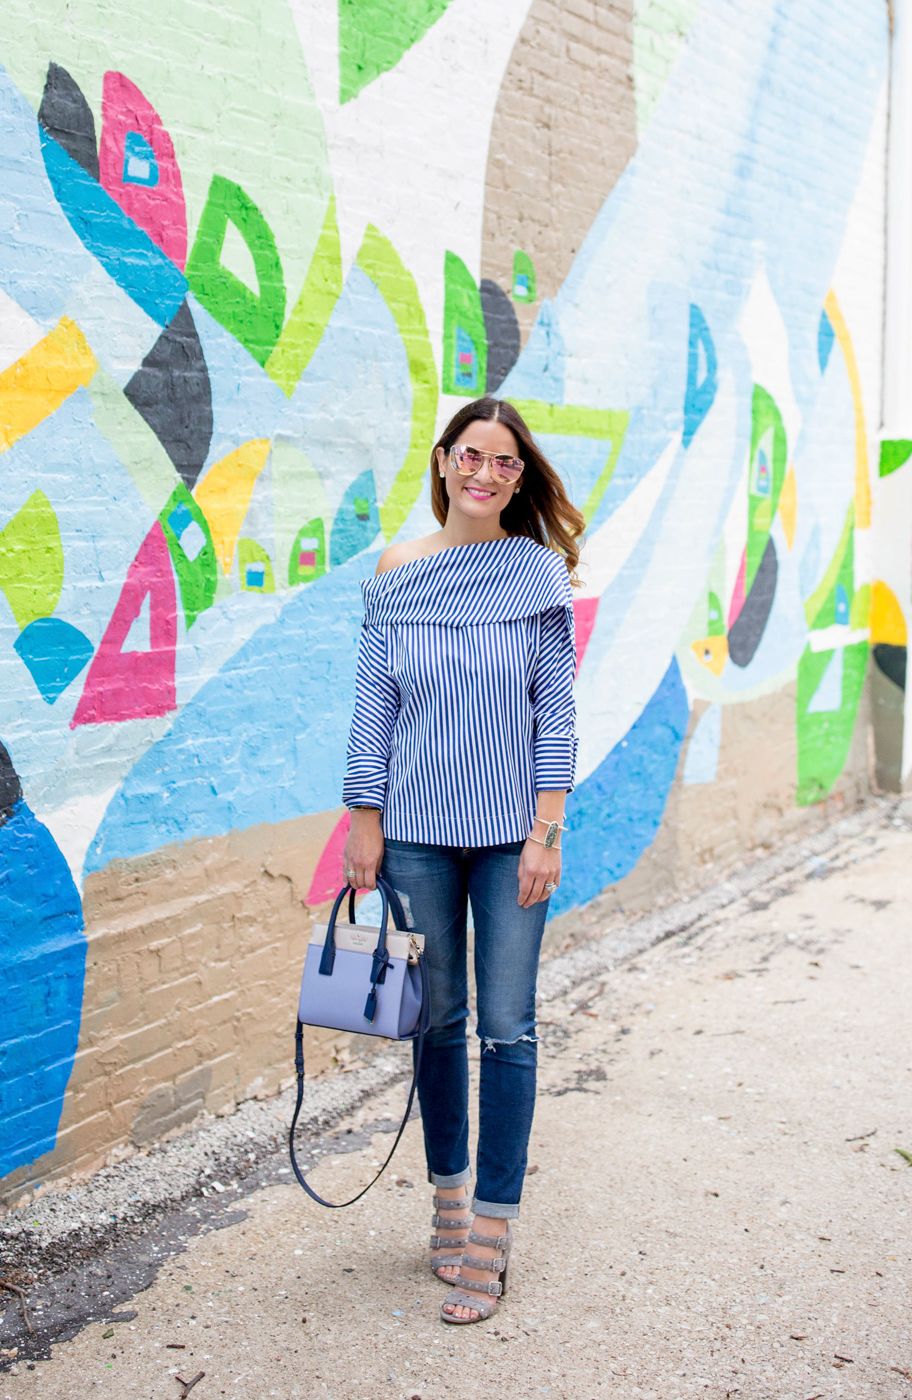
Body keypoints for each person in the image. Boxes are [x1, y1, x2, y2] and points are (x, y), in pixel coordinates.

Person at [341, 396, 583, 1324]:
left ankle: (493, 1221)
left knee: (508, 1028)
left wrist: (546, 830)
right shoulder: (398, 571)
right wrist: (364, 821)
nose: (486, 474)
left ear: (520, 479)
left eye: (506, 464)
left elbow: (555, 709)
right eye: (472, 456)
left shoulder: (537, 574)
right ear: (444, 461)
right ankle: (446, 1196)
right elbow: (376, 706)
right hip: (414, 834)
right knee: (436, 1022)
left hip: (510, 838)